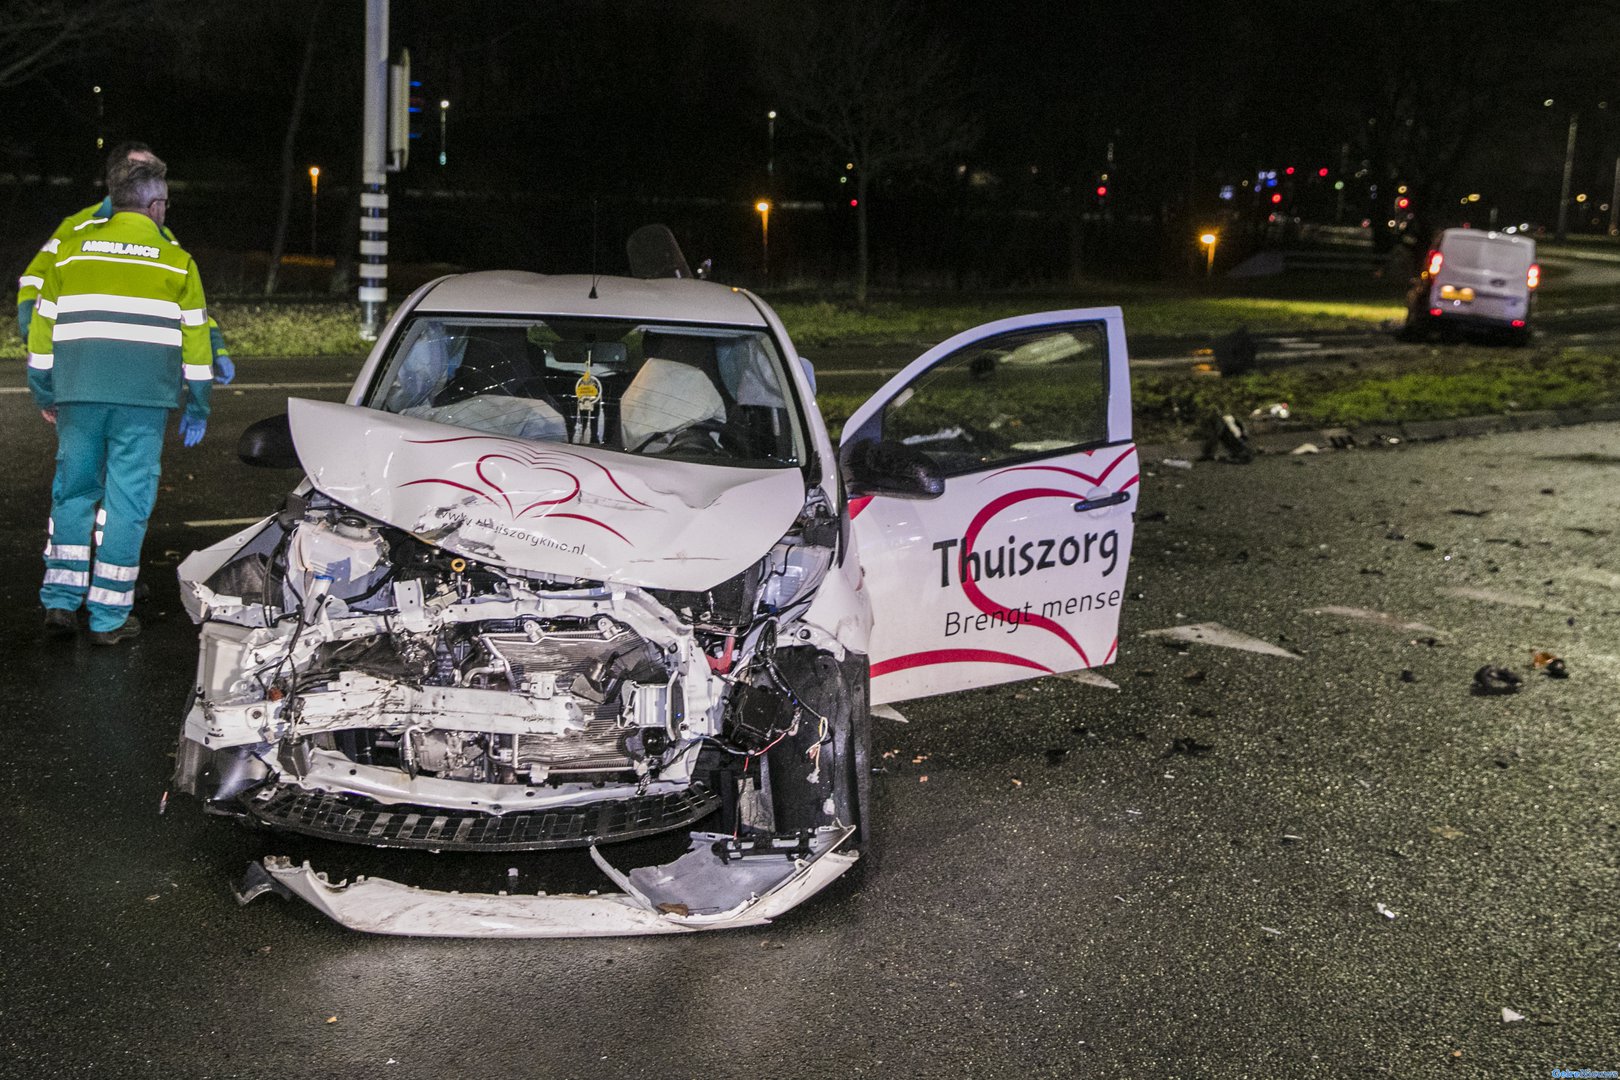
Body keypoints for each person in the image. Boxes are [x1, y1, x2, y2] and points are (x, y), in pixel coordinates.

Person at [28, 161, 213, 645]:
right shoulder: (176, 261)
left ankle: (60, 600)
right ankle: (108, 617)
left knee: (73, 493)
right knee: (127, 502)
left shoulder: (70, 253)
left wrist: (45, 390)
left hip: (78, 395)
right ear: (155, 206)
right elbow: (197, 345)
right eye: (165, 204)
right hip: (143, 403)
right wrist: (198, 404)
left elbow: (42, 332)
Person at [17, 142, 234, 385]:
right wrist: (36, 338)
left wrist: (214, 345)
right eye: (138, 169)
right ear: (115, 178)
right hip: (82, 370)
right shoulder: (78, 228)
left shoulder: (164, 238)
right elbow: (33, 282)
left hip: (141, 373)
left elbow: (187, 303)